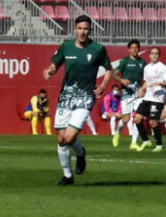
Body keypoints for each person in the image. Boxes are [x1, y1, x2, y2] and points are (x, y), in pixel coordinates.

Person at [43, 15, 112, 186]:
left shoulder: (98, 49)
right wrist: (50, 71)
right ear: (75, 29)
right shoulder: (66, 47)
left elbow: (109, 69)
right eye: (80, 28)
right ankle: (68, 175)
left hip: (85, 98)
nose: (83, 32)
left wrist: (103, 84)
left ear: (90, 30)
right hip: (66, 98)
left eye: (86, 29)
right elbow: (55, 64)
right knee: (61, 139)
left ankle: (80, 155)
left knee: (69, 136)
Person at [134, 47, 166, 152]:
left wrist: (159, 83)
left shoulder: (163, 68)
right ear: (149, 55)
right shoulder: (147, 68)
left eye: (156, 53)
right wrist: (141, 89)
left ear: (159, 55)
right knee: (137, 119)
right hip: (147, 98)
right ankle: (146, 141)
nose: (154, 55)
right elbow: (146, 82)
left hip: (157, 99)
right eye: (152, 53)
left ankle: (159, 144)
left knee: (153, 122)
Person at [111, 39, 144, 149]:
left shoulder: (142, 62)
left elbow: (147, 76)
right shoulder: (124, 61)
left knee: (138, 117)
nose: (135, 50)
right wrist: (122, 80)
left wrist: (143, 89)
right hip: (126, 93)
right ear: (129, 50)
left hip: (138, 94)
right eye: (132, 48)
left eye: (136, 48)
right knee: (126, 119)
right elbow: (114, 74)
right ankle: (117, 132)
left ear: (139, 49)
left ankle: (134, 143)